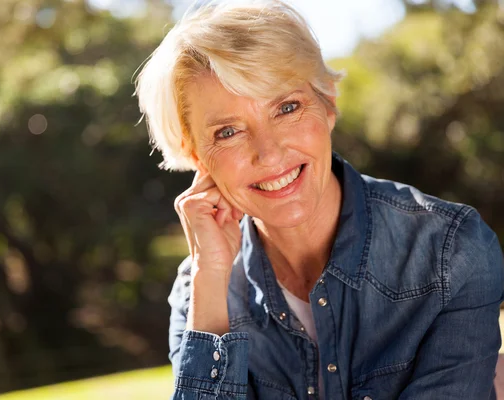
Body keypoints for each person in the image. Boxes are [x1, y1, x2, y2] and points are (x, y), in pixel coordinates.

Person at [134, 1, 504, 398]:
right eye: (228, 132)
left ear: (327, 102)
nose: (270, 154)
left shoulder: (450, 251)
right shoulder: (197, 292)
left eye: (286, 108)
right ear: (195, 156)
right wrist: (210, 278)